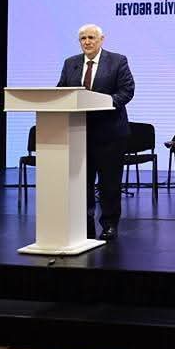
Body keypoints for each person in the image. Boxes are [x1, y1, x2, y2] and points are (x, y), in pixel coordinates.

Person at [57, 24, 134, 241]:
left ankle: (109, 225)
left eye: (91, 37)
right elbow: (61, 90)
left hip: (110, 133)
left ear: (101, 40)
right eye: (83, 38)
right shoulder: (70, 63)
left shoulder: (117, 61)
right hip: (79, 133)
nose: (87, 42)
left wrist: (105, 103)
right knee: (82, 183)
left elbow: (127, 91)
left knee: (109, 184)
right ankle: (84, 224)